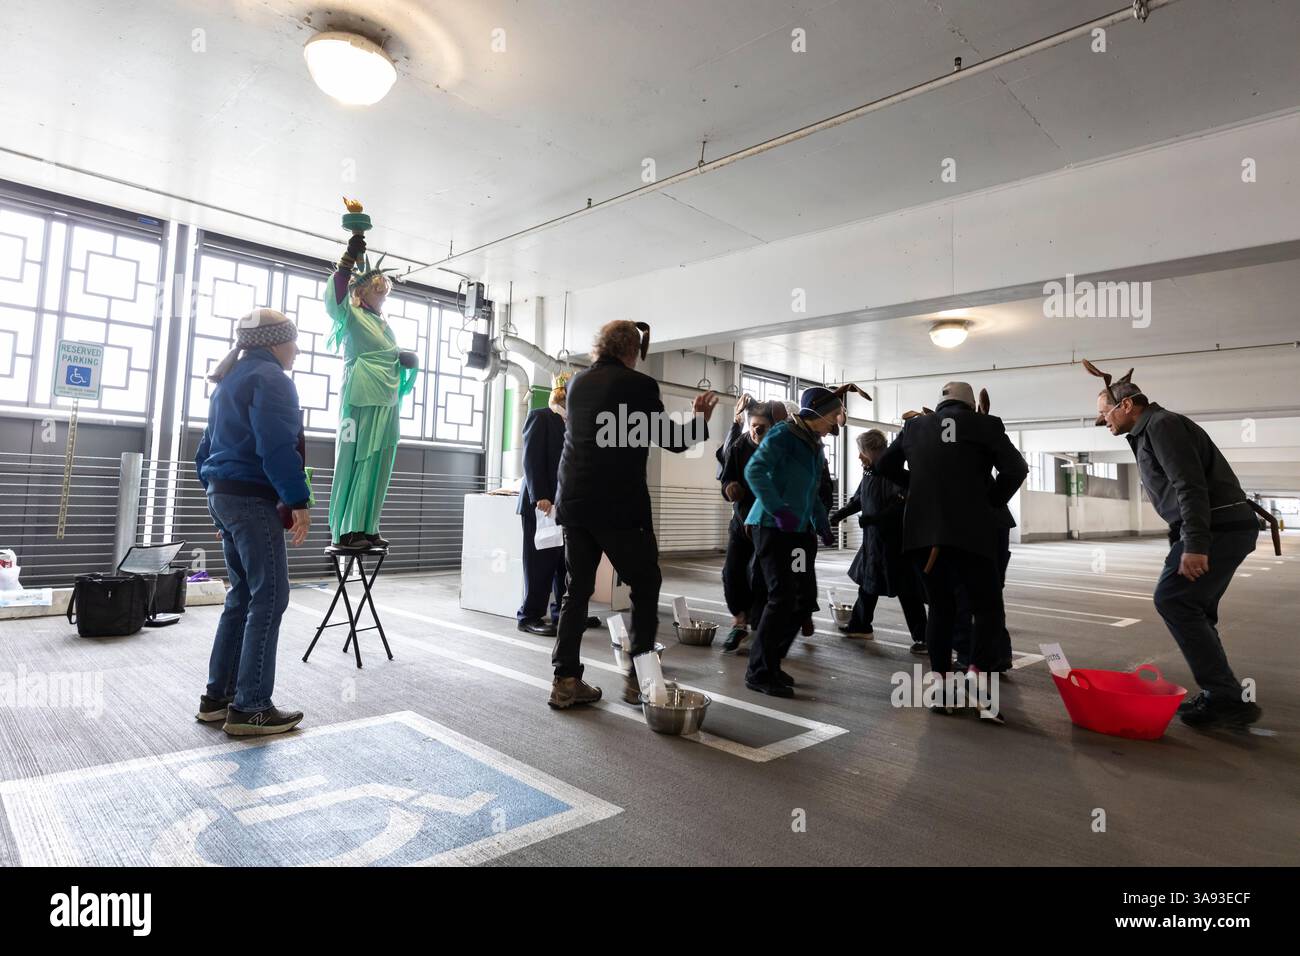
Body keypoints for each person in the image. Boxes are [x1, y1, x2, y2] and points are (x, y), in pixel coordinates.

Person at [549, 320, 718, 708]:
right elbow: (674, 441)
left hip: (574, 503)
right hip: (619, 506)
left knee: (577, 590)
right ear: (632, 351)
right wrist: (699, 419)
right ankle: (638, 678)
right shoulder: (639, 386)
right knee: (645, 583)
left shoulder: (576, 385)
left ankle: (565, 679)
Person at [1087, 360, 1263, 730]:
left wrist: (1194, 544)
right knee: (1196, 608)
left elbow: (1189, 485)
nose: (1102, 422)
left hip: (1219, 528)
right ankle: (1223, 695)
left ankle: (1228, 698)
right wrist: (1180, 539)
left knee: (1173, 599)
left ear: (1127, 406)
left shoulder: (1163, 426)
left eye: (1104, 413)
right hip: (1217, 527)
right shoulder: (1150, 429)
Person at [874, 381, 1027, 719]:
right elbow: (1016, 469)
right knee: (987, 608)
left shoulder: (914, 426)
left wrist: (919, 486)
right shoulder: (986, 424)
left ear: (939, 406)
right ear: (971, 405)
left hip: (923, 536)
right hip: (972, 534)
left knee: (941, 610)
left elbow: (882, 466)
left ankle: (942, 691)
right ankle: (976, 675)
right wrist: (990, 502)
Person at [194, 309, 311, 737]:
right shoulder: (273, 380)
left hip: (224, 494)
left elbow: (204, 452)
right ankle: (251, 708)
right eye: (292, 341)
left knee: (241, 596)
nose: (296, 350)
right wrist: (298, 500)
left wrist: (217, 502)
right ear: (275, 342)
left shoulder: (228, 383)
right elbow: (276, 446)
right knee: (271, 597)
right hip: (250, 497)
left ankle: (218, 698)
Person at [324, 229, 419, 552]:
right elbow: (335, 294)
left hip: (386, 398)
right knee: (356, 458)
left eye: (384, 292)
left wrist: (403, 359)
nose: (383, 297)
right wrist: (349, 258)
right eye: (379, 291)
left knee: (380, 460)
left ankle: (368, 525)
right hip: (360, 396)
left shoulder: (382, 322)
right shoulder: (350, 314)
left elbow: (385, 355)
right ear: (363, 292)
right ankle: (348, 528)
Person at [742, 386, 840, 698]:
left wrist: (822, 521)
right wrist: (778, 508)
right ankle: (759, 671)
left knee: (801, 598)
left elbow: (810, 489)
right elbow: (754, 471)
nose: (836, 422)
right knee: (782, 596)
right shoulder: (784, 435)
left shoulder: (814, 444)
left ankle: (771, 661)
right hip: (772, 526)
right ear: (818, 413)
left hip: (798, 531)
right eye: (834, 415)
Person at [830, 430, 928, 654]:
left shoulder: (893, 473)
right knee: (868, 583)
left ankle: (923, 636)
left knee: (906, 590)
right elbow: (858, 499)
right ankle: (860, 625)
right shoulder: (868, 473)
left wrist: (875, 519)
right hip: (873, 542)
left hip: (895, 544)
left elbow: (900, 504)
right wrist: (840, 514)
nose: (859, 457)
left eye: (861, 452)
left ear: (873, 451)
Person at [717, 398, 782, 651]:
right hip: (741, 520)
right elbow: (727, 479)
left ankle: (761, 626)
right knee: (731, 571)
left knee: (761, 575)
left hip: (768, 522)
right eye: (753, 426)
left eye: (763, 427)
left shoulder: (780, 450)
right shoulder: (739, 445)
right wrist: (729, 489)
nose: (757, 431)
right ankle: (739, 622)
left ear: (774, 428)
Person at [516, 373, 570, 637]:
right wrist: (541, 495)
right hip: (541, 504)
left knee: (562, 563)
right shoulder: (541, 416)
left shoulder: (571, 424)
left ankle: (564, 612)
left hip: (563, 506)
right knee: (539, 562)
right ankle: (529, 615)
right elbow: (531, 459)